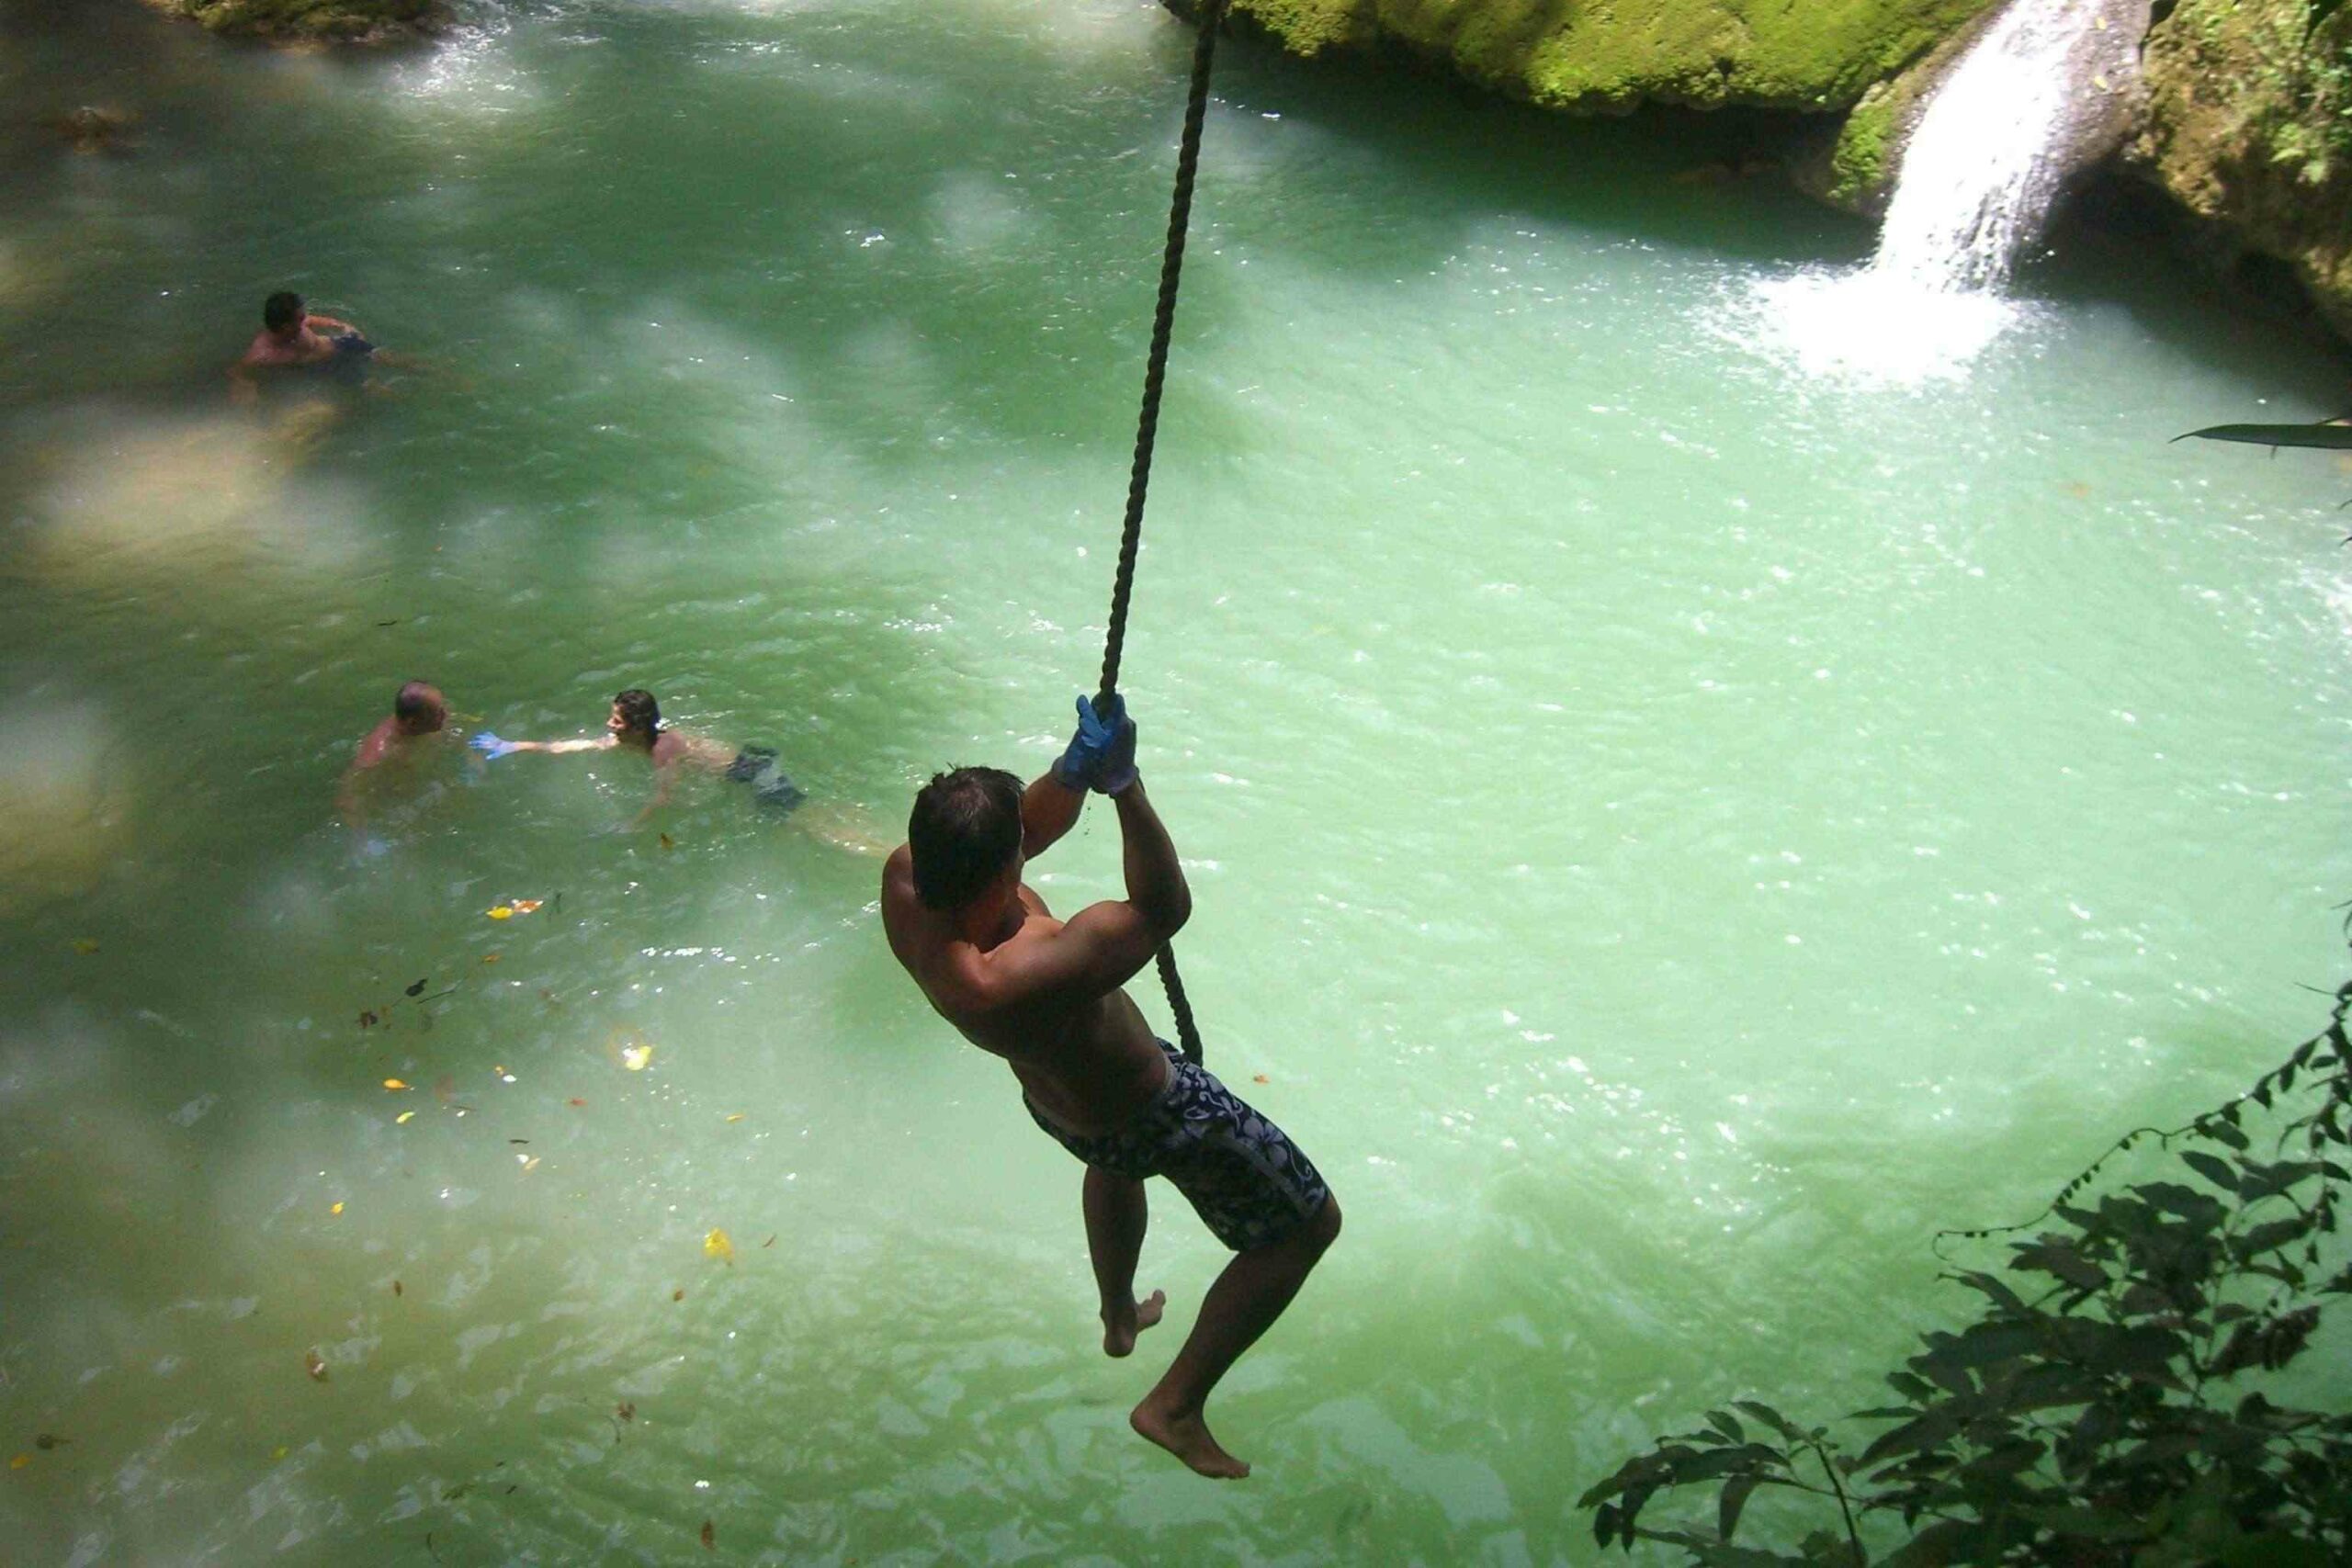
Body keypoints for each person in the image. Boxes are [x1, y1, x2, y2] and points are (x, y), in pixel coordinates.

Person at [880, 695, 1340, 1480]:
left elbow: (1019, 828)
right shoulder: (1028, 968)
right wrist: (1123, 785)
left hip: (1063, 1107)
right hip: (1158, 1108)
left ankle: (1119, 1312)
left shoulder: (908, 884)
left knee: (1112, 1160)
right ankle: (1175, 1404)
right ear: (1004, 869)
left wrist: (1069, 771)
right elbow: (1165, 908)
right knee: (1307, 1226)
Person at [474, 688, 810, 829]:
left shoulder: (663, 749)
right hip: (745, 765)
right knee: (795, 822)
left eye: (617, 721)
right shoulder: (633, 740)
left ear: (637, 727)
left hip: (753, 772)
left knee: (808, 821)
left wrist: (633, 824)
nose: (609, 724)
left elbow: (665, 796)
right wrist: (514, 745)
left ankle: (862, 843)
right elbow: (572, 746)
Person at [337, 680, 450, 840]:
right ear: (413, 722)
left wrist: (471, 755)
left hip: (422, 784)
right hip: (393, 801)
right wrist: (361, 837)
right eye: (438, 712)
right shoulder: (378, 753)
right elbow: (348, 795)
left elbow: (457, 730)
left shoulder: (430, 719)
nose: (446, 715)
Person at [230, 291, 378, 403]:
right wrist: (245, 384)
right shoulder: (262, 354)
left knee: (384, 356)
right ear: (285, 326)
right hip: (327, 368)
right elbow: (237, 370)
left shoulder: (298, 325)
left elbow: (315, 320)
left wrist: (342, 326)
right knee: (372, 389)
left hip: (341, 345)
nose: (304, 320)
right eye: (299, 318)